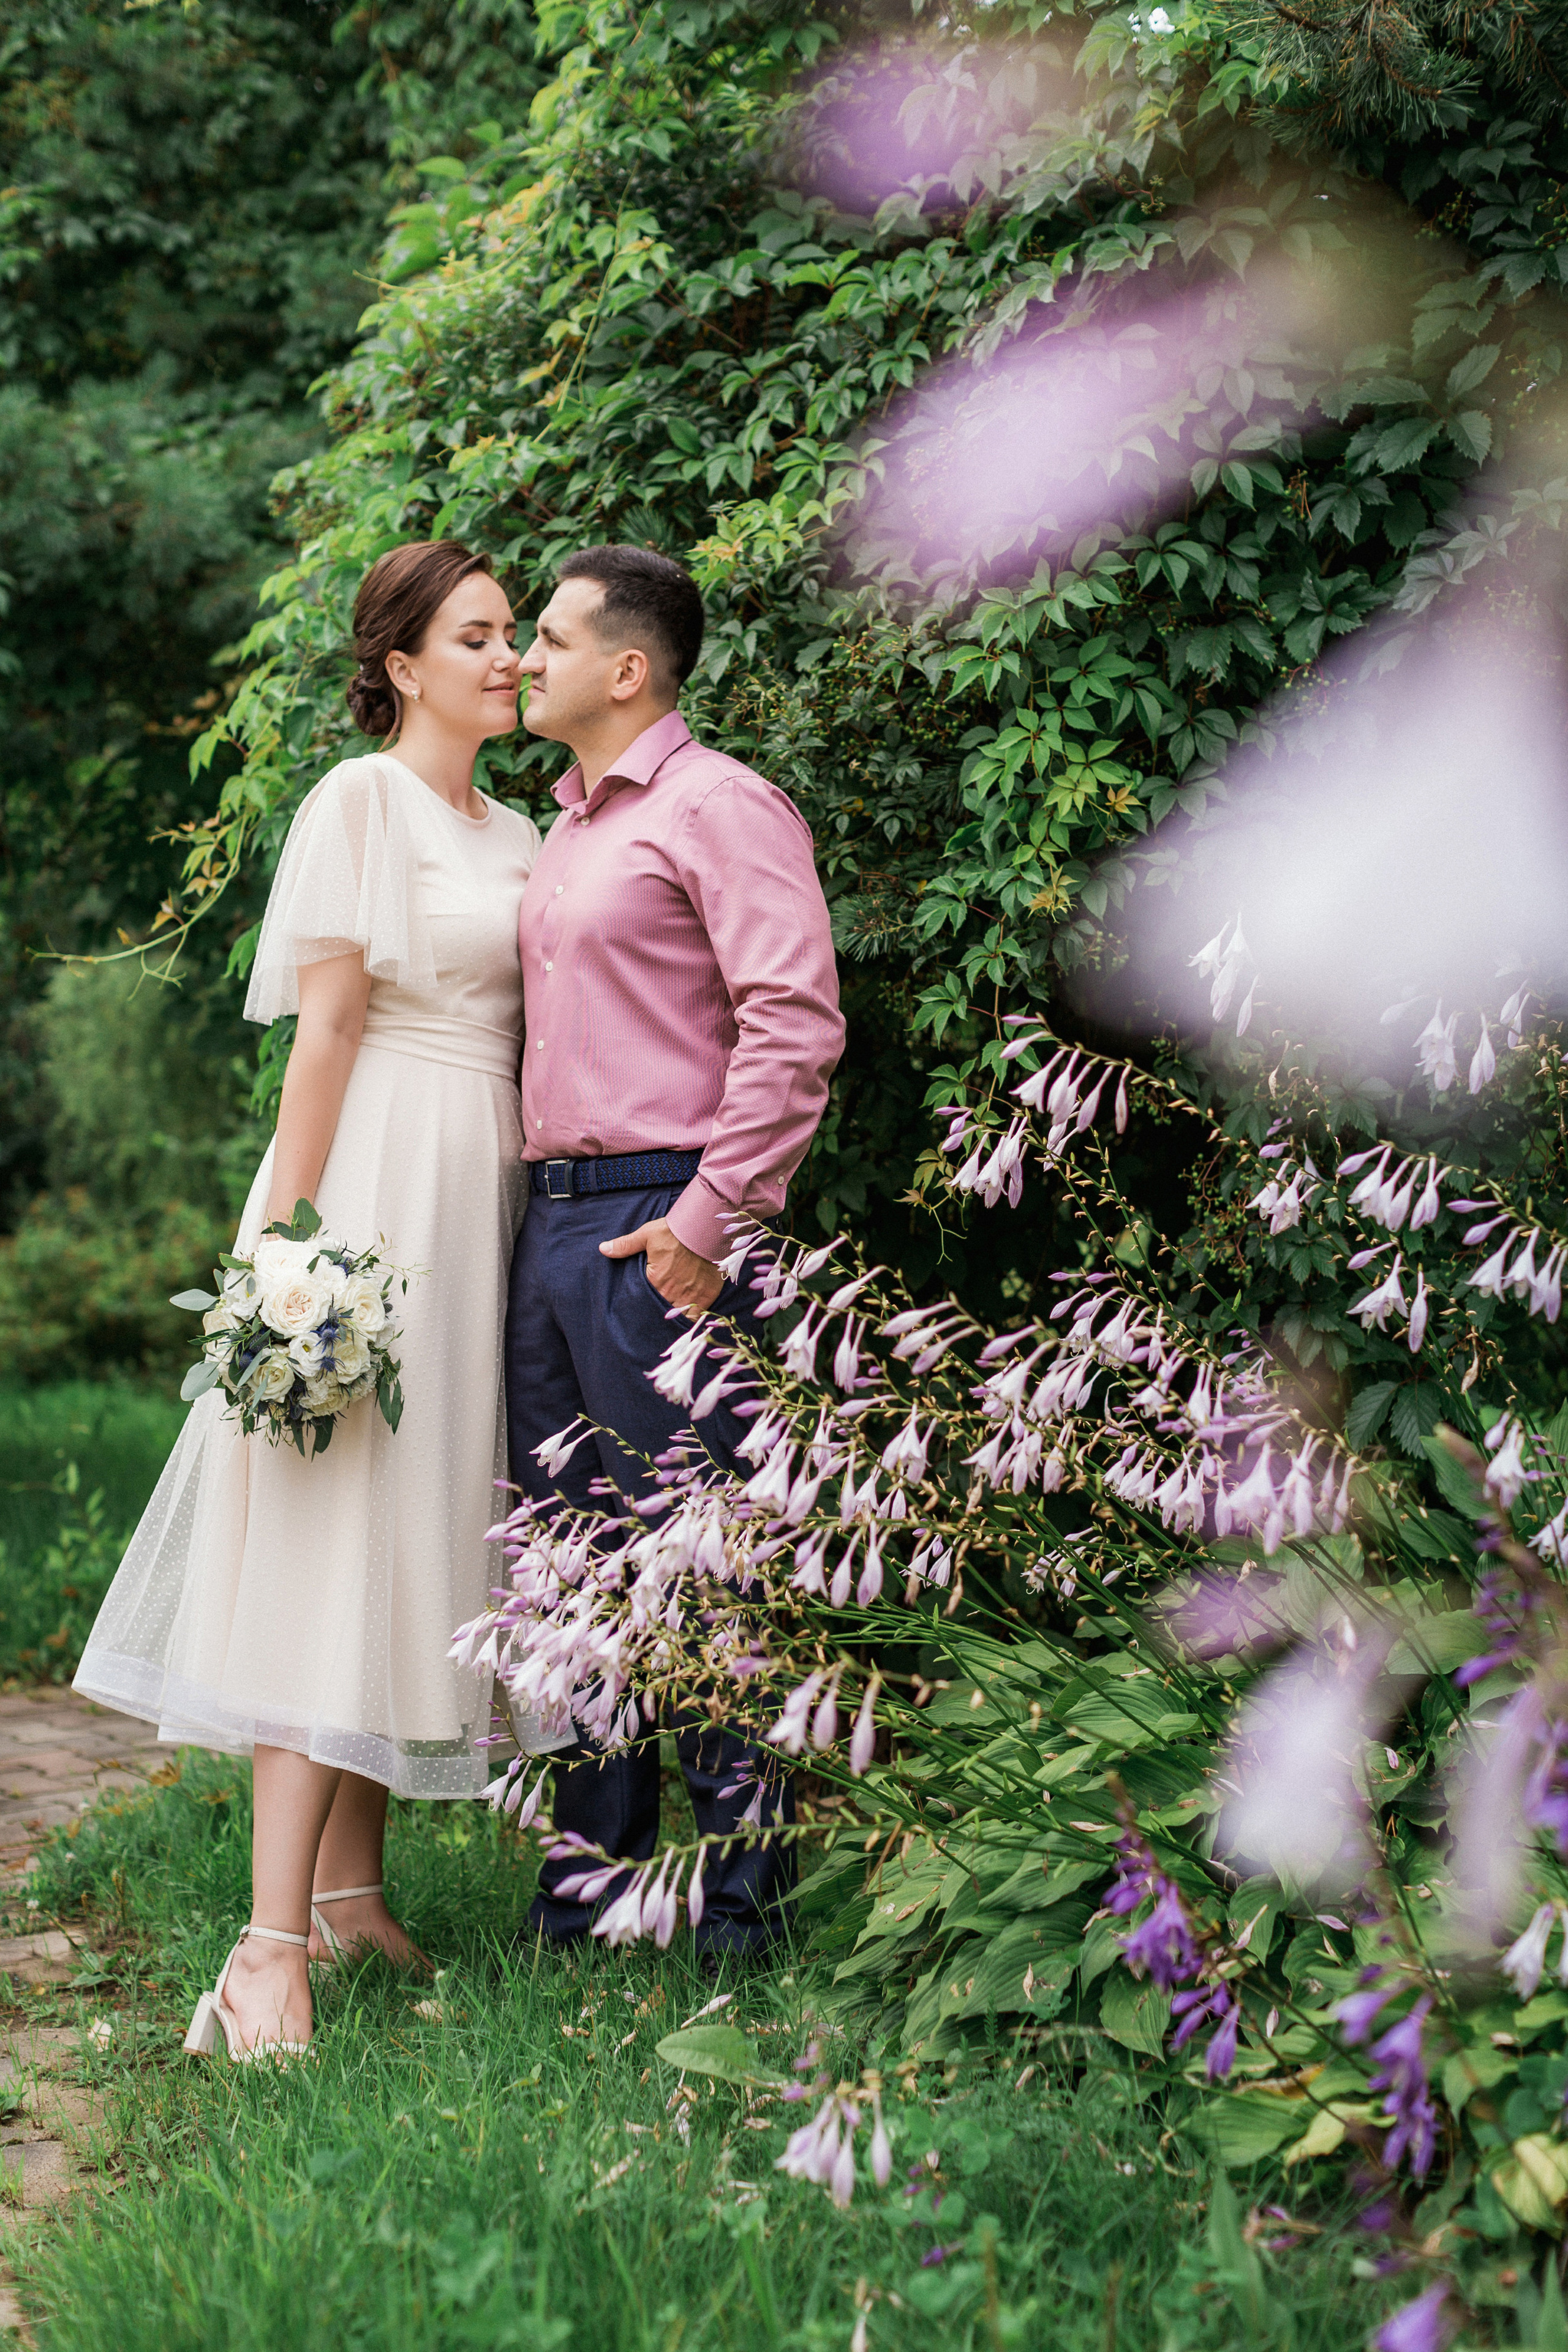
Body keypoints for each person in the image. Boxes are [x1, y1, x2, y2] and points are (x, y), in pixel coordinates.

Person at [75, 538, 547, 2056]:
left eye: (512, 634)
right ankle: (264, 1949)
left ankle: (350, 1896)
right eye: (473, 636)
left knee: (408, 1530)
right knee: (327, 1537)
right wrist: (288, 1249)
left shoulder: (526, 825)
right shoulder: (360, 802)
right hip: (373, 1184)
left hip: (486, 1179)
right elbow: (327, 1038)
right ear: (401, 665)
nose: (505, 658)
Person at [505, 542, 845, 1961]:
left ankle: (744, 1904)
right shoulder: (568, 829)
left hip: (661, 1220)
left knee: (694, 1561)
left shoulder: (719, 806)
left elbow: (795, 1021)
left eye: (548, 636)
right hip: (552, 1224)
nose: (524, 657)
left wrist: (707, 1227)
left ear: (626, 669)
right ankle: (591, 1888)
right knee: (573, 1563)